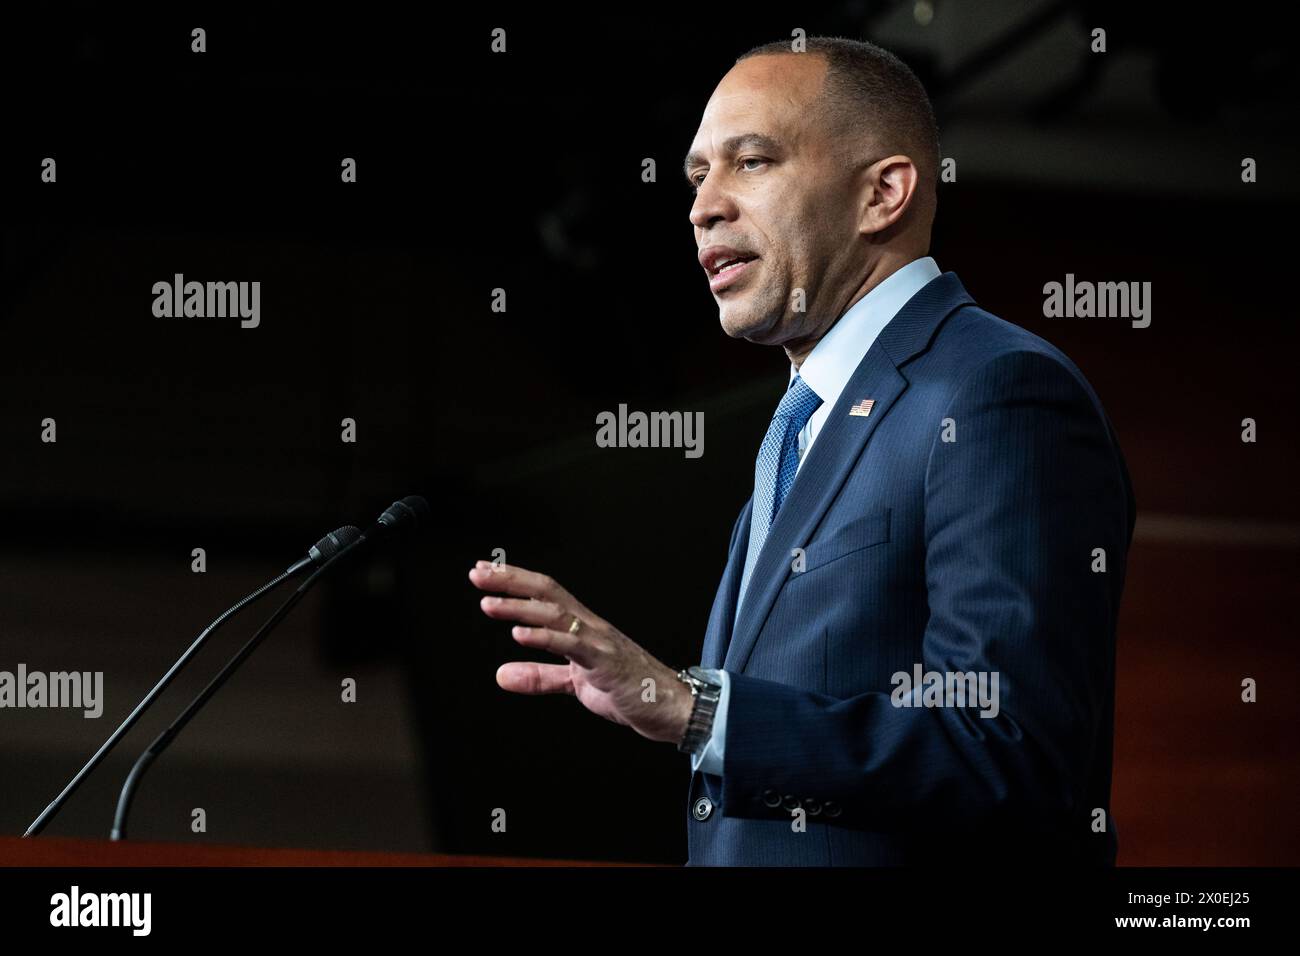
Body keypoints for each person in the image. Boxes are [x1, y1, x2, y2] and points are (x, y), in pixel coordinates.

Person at [468, 36, 1134, 866]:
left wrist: (698, 711)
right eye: (696, 175)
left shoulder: (997, 394)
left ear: (882, 194)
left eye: (750, 162)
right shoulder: (800, 426)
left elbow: (1013, 750)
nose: (702, 207)